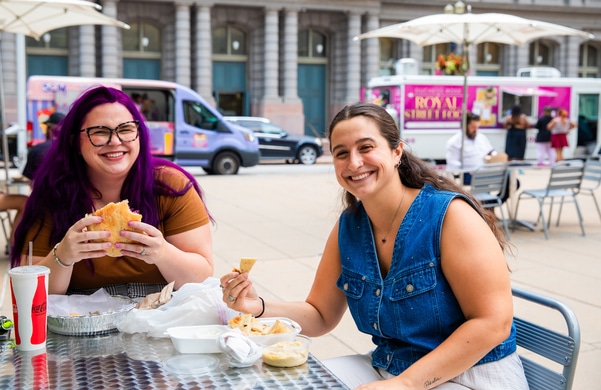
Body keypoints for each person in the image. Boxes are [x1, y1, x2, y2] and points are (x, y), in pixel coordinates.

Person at [220, 103, 528, 390]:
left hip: (474, 373)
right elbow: (320, 314)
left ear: (396, 152)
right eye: (341, 153)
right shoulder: (350, 225)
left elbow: (493, 323)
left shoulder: (451, 216)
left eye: (366, 147)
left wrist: (405, 384)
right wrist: (256, 306)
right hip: (392, 369)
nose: (354, 162)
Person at [9, 86, 214, 298]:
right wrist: (63, 255)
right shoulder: (53, 193)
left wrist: (162, 253)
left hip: (162, 314)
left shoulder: (169, 186)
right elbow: (31, 292)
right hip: (80, 320)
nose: (115, 141)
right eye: (99, 132)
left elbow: (202, 277)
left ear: (139, 135)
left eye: (125, 129)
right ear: (75, 142)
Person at [445, 112, 503, 185]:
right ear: (464, 126)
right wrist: (466, 170)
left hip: (485, 170)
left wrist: (496, 157)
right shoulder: (455, 142)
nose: (475, 130)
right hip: (468, 174)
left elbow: (490, 151)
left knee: (509, 178)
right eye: (473, 127)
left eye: (477, 127)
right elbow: (452, 163)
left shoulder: (481, 137)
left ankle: (498, 196)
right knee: (482, 179)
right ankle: (484, 195)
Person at [22, 112, 65, 182]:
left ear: (48, 129)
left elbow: (32, 181)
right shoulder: (74, 150)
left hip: (43, 191)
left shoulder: (37, 149)